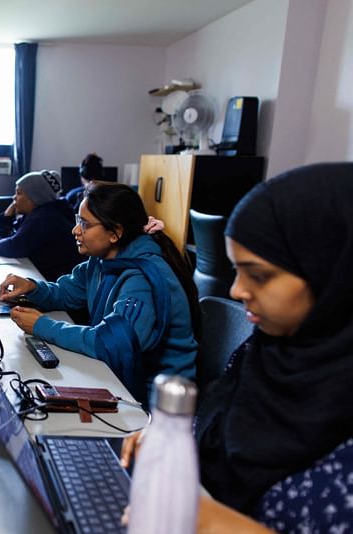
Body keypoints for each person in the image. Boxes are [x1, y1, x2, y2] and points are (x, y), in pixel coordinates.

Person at [121, 163, 353, 533]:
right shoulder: (267, 352)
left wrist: (213, 522)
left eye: (258, 275)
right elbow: (215, 428)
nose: (236, 290)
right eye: (236, 270)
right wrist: (169, 443)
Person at [0, 181, 199, 403]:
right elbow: (66, 294)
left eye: (84, 224)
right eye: (78, 220)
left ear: (115, 233)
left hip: (158, 399)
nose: (75, 230)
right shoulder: (103, 260)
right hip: (119, 376)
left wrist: (41, 326)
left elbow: (112, 344)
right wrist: (34, 288)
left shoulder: (142, 278)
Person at [0, 170, 83, 281]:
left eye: (19, 193)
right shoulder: (37, 214)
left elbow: (13, 247)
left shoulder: (44, 217)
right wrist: (6, 217)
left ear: (34, 197)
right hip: (47, 277)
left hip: (56, 284)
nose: (13, 198)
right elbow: (6, 241)